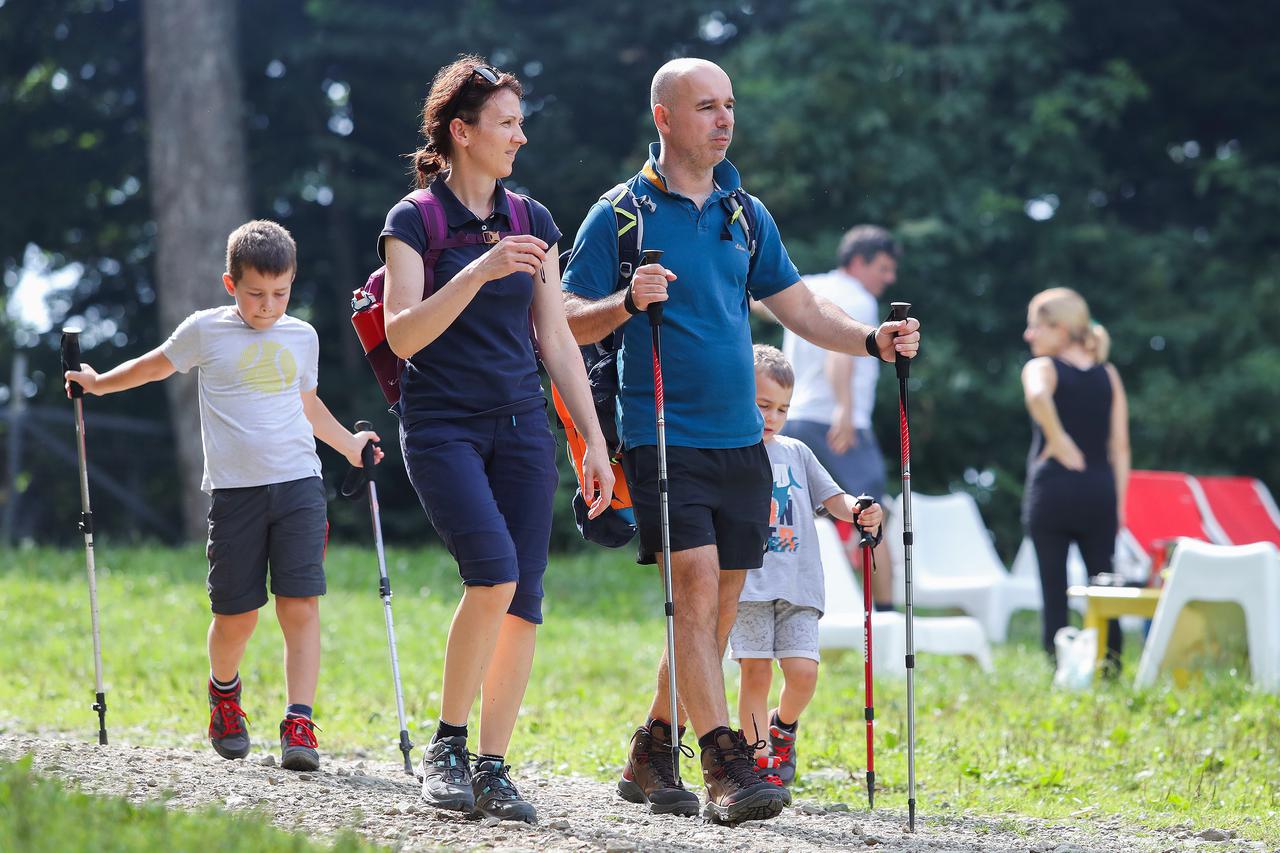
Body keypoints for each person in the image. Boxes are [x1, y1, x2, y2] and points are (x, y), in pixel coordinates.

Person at [560, 57, 919, 824]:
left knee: (719, 612)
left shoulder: (744, 213)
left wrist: (872, 341)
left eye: (729, 106)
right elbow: (559, 320)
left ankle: (654, 746)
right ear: (664, 118)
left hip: (741, 443)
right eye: (705, 107)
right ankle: (726, 763)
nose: (724, 119)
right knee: (691, 594)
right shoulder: (619, 215)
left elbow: (802, 308)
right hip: (661, 435)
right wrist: (625, 301)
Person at [381, 56, 613, 824]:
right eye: (507, 122)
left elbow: (555, 339)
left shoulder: (534, 220)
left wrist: (594, 443)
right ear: (462, 131)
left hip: (522, 429)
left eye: (520, 122)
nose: (520, 135)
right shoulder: (415, 219)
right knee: (492, 573)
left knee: (524, 601)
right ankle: (447, 746)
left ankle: (493, 765)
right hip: (441, 424)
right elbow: (405, 334)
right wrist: (478, 270)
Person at [64, 220, 380, 771]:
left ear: (293, 282)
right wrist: (98, 382)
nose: (268, 306)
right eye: (256, 294)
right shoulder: (205, 331)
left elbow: (308, 405)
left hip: (299, 484)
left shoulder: (302, 336)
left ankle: (298, 721)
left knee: (300, 606)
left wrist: (351, 447)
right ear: (230, 284)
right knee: (238, 615)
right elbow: (154, 366)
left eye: (280, 293)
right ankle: (224, 693)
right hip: (236, 495)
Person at [731, 345, 883, 796]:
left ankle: (783, 729)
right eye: (762, 406)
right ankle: (758, 761)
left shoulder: (796, 451)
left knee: (803, 673)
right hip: (748, 585)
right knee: (755, 673)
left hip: (798, 585)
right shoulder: (728, 450)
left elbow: (832, 497)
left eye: (781, 408)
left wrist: (857, 508)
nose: (772, 417)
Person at [780, 225, 899, 610]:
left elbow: (762, 303)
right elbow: (840, 355)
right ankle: (885, 615)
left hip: (792, 418)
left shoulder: (810, 285)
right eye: (882, 268)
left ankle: (793, 603)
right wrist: (844, 411)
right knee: (871, 514)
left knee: (795, 516)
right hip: (836, 424)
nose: (888, 278)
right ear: (858, 262)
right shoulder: (858, 299)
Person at [1021, 287, 1130, 669]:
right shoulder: (1108, 374)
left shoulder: (1042, 367)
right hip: (1099, 492)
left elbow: (1037, 397)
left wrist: (1058, 438)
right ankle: (1110, 665)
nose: (1029, 335)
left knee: (1054, 589)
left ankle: (1060, 669)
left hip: (1052, 492)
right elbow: (1120, 447)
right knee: (1106, 587)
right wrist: (1118, 503)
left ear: (1061, 329)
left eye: (1035, 326)